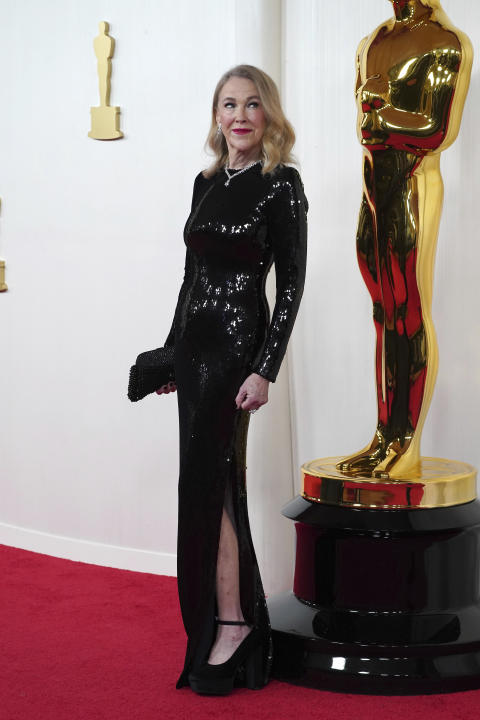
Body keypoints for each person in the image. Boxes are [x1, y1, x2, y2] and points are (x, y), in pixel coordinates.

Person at [155, 64, 308, 695]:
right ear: (216, 116)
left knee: (218, 485)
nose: (239, 116)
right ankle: (222, 622)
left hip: (239, 348)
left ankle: (234, 624)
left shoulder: (282, 185)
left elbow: (292, 283)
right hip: (196, 350)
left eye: (251, 105)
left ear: (267, 115)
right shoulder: (206, 182)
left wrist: (265, 369)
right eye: (228, 105)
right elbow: (190, 279)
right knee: (200, 487)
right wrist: (170, 356)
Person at [337, 0, 472, 479]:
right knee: (382, 310)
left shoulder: (445, 43)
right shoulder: (372, 41)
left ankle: (406, 443)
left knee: (407, 309)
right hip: (374, 188)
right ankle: (383, 438)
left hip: (413, 181)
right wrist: (375, 111)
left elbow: (436, 130)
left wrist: (382, 110)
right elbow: (363, 124)